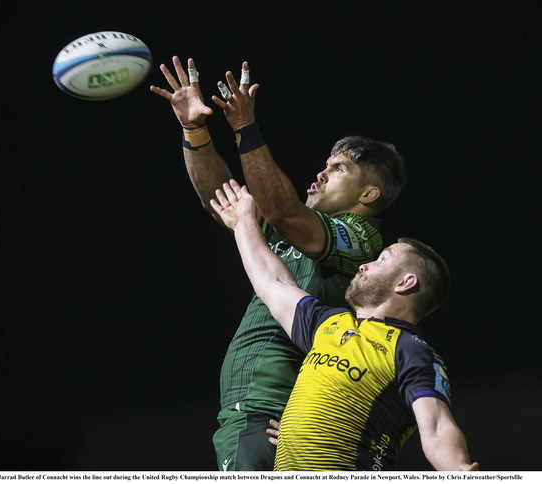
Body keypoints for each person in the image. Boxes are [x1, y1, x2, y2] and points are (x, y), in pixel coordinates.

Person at [150, 57, 407, 471]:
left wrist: (244, 129)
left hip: (271, 409)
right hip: (249, 411)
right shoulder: (287, 233)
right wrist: (194, 130)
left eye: (338, 169)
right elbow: (224, 199)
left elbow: (282, 212)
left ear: (370, 195)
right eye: (325, 164)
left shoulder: (363, 238)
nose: (321, 175)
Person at [211, 181, 479, 471]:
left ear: (406, 282)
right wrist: (244, 221)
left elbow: (437, 427)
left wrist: (459, 469)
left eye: (382, 260)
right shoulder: (331, 325)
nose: (365, 265)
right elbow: (271, 282)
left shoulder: (413, 352)